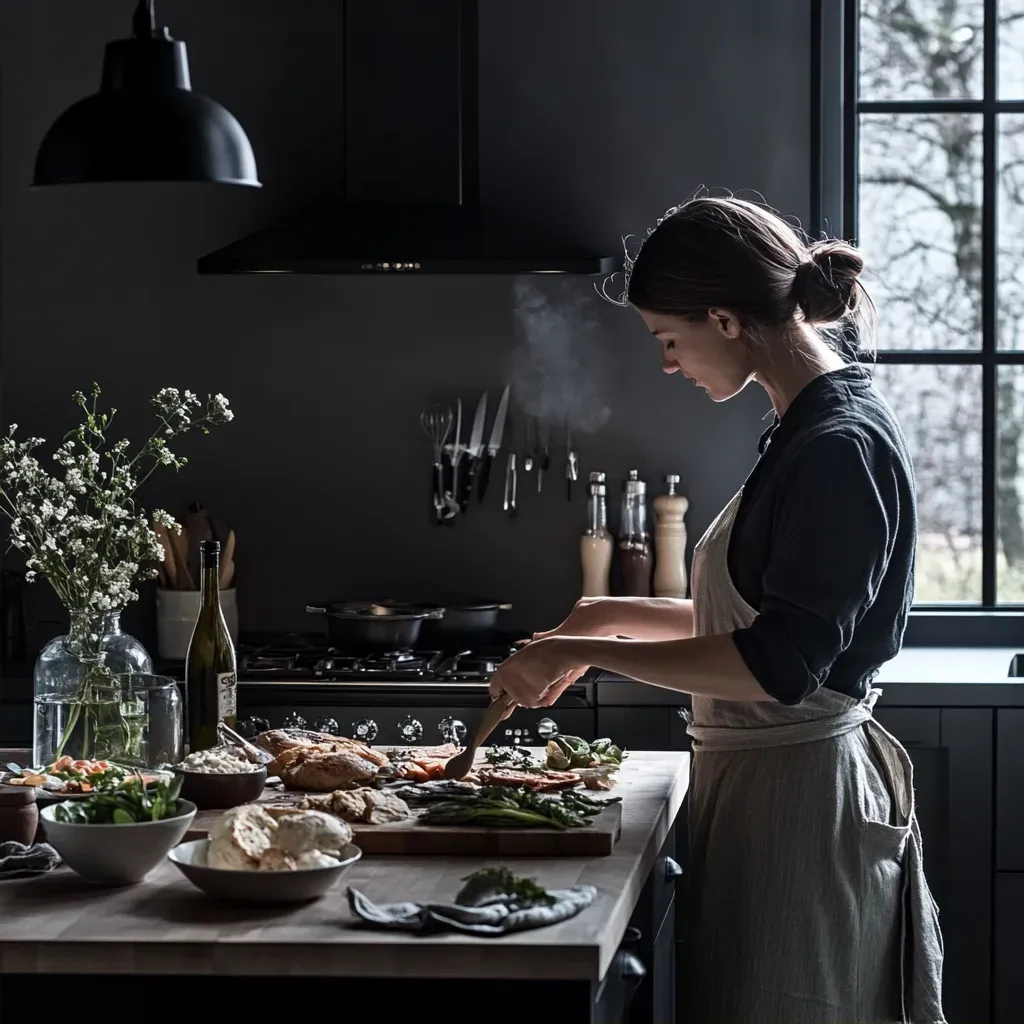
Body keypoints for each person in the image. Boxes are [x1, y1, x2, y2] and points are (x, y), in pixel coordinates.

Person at [488, 195, 946, 1023]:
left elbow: (774, 665)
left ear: (725, 319)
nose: (667, 364)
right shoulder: (799, 424)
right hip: (764, 788)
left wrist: (585, 653)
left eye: (670, 339)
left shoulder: (839, 445)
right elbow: (750, 618)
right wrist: (602, 614)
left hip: (806, 804)